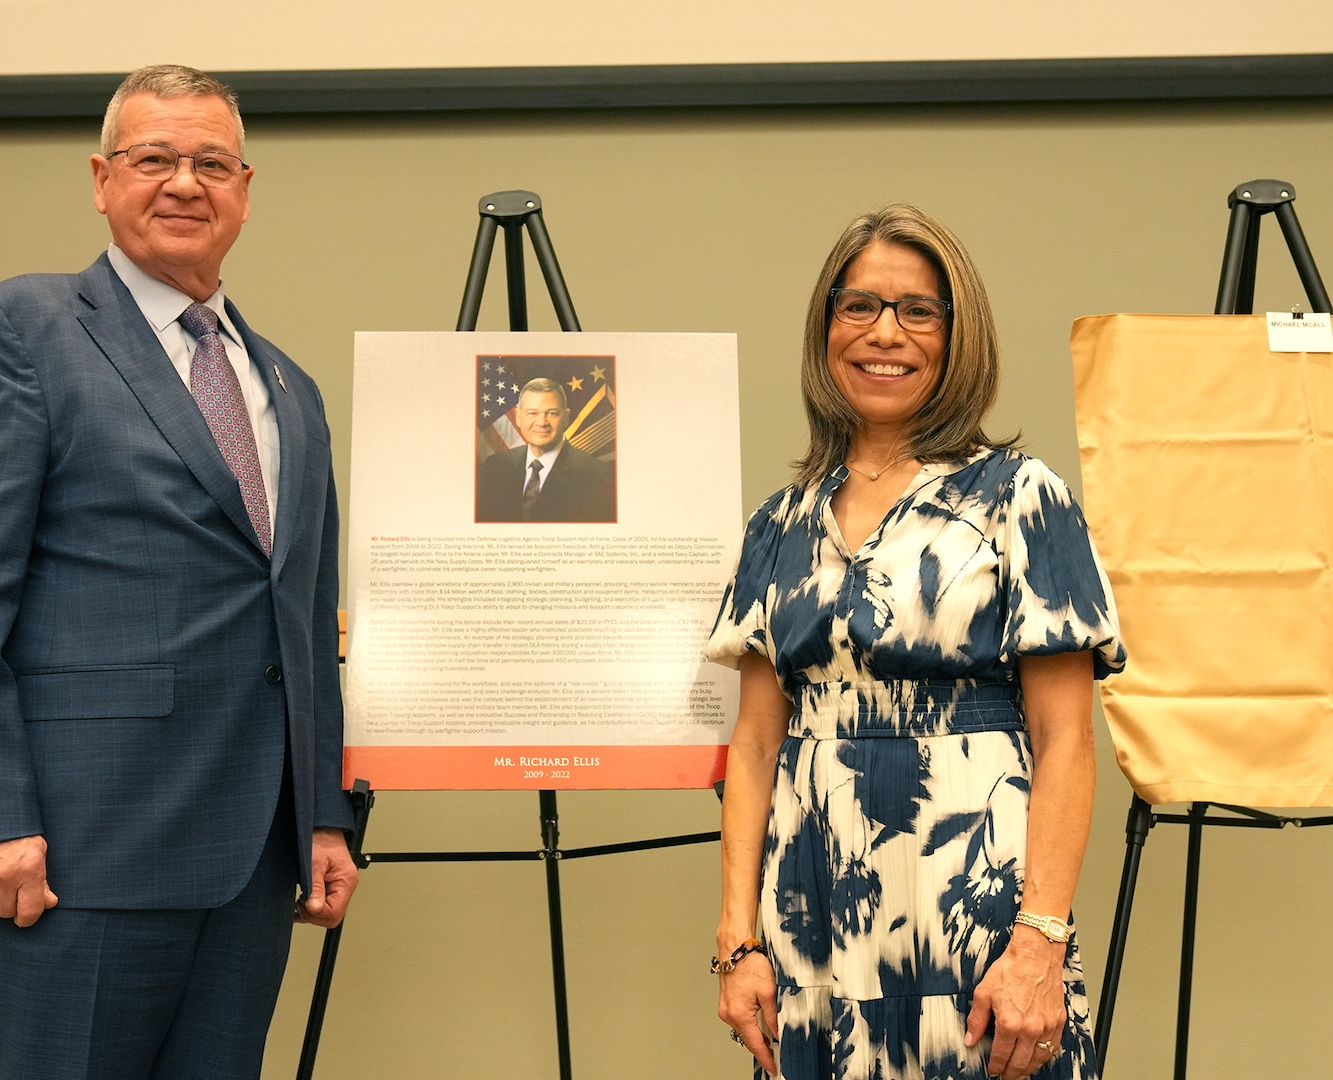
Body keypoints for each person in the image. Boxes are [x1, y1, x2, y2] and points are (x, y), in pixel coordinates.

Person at [0, 64, 357, 1079]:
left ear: (244, 189)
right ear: (102, 180)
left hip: (252, 864)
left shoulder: (289, 387)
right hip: (70, 856)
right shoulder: (21, 331)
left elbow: (302, 620)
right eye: (154, 159)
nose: (184, 183)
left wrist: (322, 813)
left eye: (212, 163)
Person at [706, 204, 1123, 1080]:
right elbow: (751, 746)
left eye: (916, 310)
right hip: (811, 921)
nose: (884, 333)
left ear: (955, 334)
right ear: (826, 330)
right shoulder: (775, 527)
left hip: (977, 916)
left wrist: (1040, 942)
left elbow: (1067, 740)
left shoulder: (1021, 499)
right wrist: (737, 939)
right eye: (857, 307)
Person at [475, 377, 615, 522]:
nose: (542, 422)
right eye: (532, 413)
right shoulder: (495, 466)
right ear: (518, 417)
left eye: (552, 413)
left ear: (566, 418)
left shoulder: (597, 476)